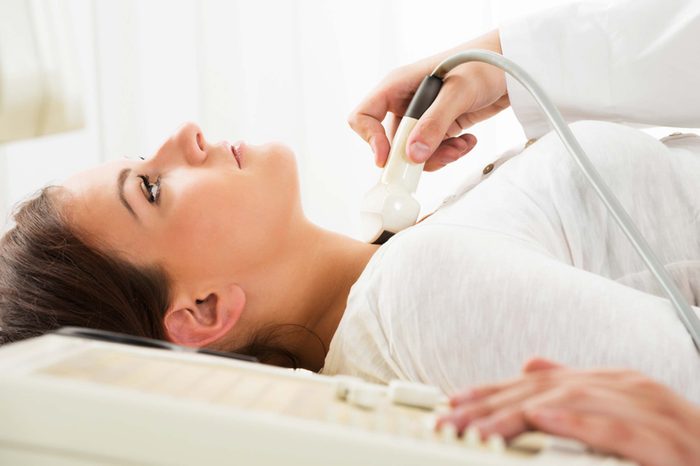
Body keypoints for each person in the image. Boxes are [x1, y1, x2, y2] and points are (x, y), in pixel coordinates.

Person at [0, 0, 698, 463]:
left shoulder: (404, 275)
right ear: (204, 310)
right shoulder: (422, 298)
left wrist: (504, 62)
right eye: (150, 189)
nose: (184, 134)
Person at [346, 0, 700, 464]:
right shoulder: (418, 289)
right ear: (213, 312)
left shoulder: (420, 259)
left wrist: (505, 61)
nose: (212, 137)